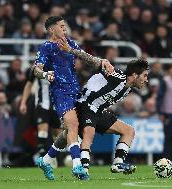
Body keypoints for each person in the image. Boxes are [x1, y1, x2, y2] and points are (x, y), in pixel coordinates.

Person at [40, 40, 149, 179]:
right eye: (144, 75)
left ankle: (118, 163)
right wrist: (73, 51)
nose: (146, 80)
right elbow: (94, 61)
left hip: (98, 111)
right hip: (85, 104)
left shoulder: (127, 89)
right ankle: (83, 169)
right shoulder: (116, 75)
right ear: (134, 75)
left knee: (128, 131)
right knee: (88, 133)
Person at [32, 16, 113, 180]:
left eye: (65, 26)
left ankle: (46, 160)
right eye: (61, 26)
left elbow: (87, 58)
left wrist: (102, 61)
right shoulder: (46, 47)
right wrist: (45, 74)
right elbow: (35, 69)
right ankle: (78, 166)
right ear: (51, 29)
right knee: (73, 124)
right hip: (60, 93)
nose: (64, 29)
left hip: (76, 91)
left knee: (69, 130)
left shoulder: (70, 43)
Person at [19, 67, 62, 162]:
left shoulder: (59, 65)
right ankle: (42, 157)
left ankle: (58, 158)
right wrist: (23, 102)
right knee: (43, 129)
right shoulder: (37, 68)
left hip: (56, 106)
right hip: (42, 104)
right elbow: (29, 84)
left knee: (58, 134)